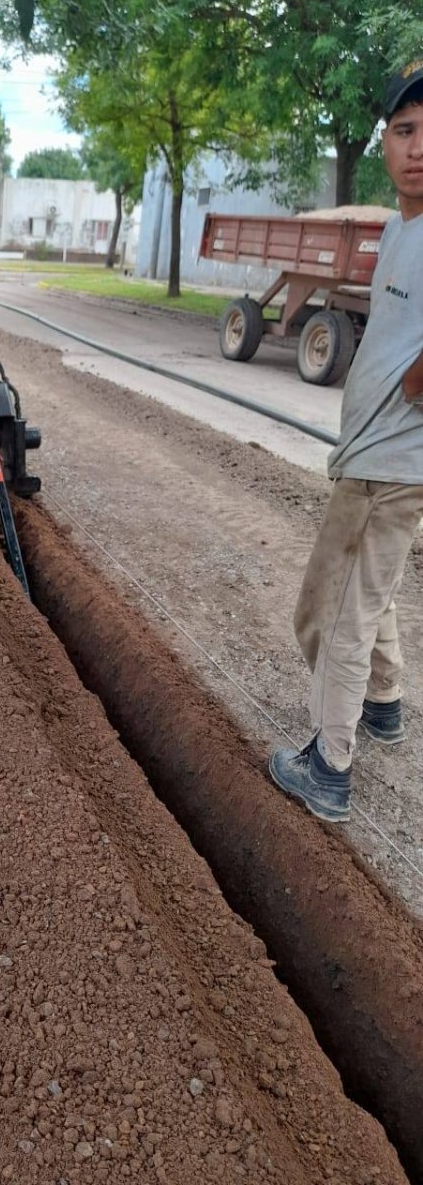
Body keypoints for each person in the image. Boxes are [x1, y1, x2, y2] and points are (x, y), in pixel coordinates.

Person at [268, 58, 423, 823]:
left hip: (389, 466)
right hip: (374, 460)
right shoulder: (401, 228)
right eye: (405, 130)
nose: (419, 146)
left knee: (330, 612)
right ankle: (384, 704)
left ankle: (328, 767)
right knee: (372, 587)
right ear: (386, 140)